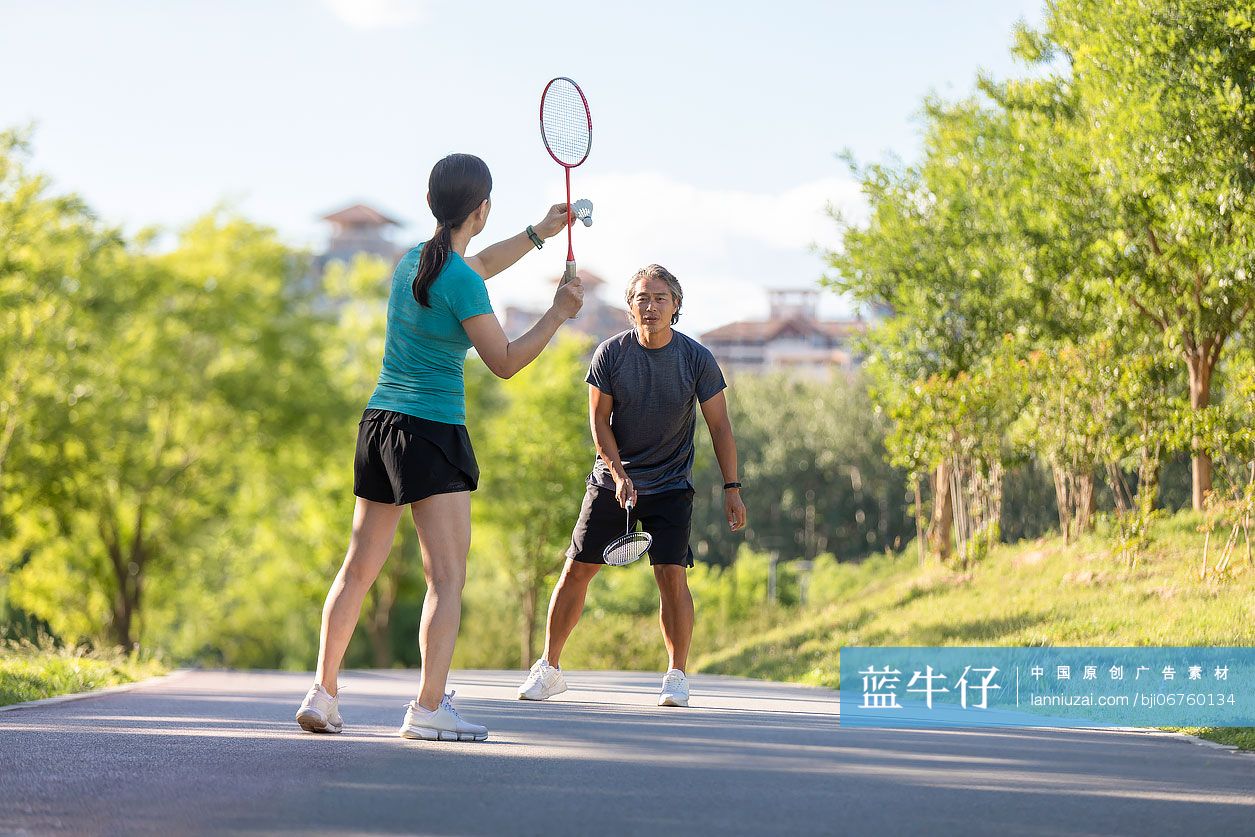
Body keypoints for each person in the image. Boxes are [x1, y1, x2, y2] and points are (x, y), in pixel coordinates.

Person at [296, 153, 583, 742]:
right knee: (446, 580)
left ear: (433, 205)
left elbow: (474, 266)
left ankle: (323, 694)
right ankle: (428, 708)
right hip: (430, 431)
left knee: (356, 570)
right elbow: (503, 362)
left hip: (379, 426)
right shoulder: (458, 280)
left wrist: (538, 234)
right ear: (481, 209)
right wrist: (557, 314)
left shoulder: (411, 265)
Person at [516, 264, 746, 707]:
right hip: (612, 477)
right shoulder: (610, 354)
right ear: (629, 306)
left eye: (661, 298)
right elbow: (598, 422)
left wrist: (732, 487)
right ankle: (549, 667)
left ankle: (677, 676)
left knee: (671, 574)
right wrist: (619, 475)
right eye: (642, 297)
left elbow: (720, 427)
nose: (651, 306)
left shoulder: (696, 358)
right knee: (576, 568)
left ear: (676, 306)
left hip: (671, 483)